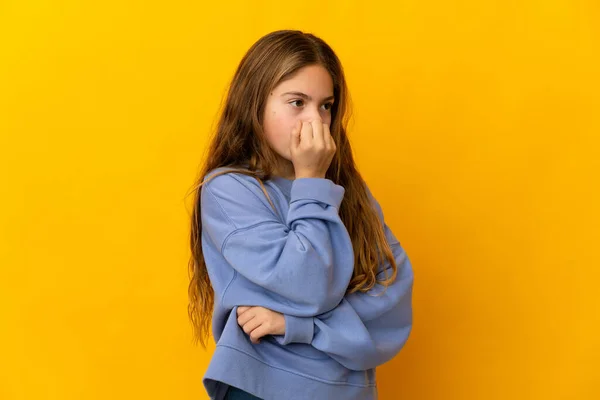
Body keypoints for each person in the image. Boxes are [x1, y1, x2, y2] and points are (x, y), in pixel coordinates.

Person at [187, 29, 414, 400]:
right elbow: (307, 286)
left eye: (326, 105)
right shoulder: (230, 190)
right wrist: (311, 180)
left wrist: (297, 325)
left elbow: (393, 302)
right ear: (254, 104)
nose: (316, 121)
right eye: (297, 103)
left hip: (347, 391)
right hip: (263, 389)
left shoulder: (348, 192)